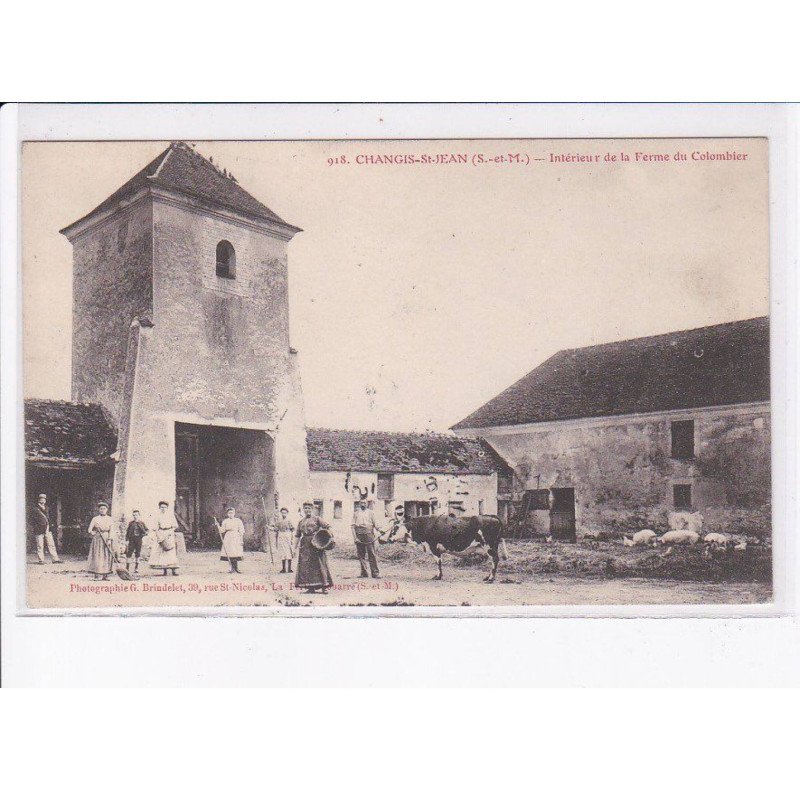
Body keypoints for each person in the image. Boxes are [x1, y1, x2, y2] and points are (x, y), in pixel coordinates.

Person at [293, 501, 333, 593]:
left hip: (316, 543)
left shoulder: (317, 519)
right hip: (305, 545)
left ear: (312, 509)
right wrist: (294, 548)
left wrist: (330, 536)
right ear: (303, 509)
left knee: (319, 564)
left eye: (309, 508)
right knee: (306, 565)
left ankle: (324, 586)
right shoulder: (301, 522)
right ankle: (310, 587)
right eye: (306, 508)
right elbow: (297, 535)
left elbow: (327, 526)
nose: (307, 510)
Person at [352, 499, 381, 579]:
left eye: (364, 503)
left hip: (369, 535)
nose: (363, 504)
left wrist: (380, 530)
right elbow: (353, 526)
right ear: (359, 503)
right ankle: (364, 573)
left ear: (367, 504)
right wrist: (355, 538)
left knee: (371, 553)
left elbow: (376, 524)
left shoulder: (371, 513)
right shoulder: (356, 513)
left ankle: (375, 573)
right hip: (359, 535)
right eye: (361, 502)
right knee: (361, 555)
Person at [30, 493, 61, 565]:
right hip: (39, 529)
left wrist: (51, 525)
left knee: (51, 544)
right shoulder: (35, 509)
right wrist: (35, 527)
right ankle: (41, 560)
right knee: (40, 545)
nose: (43, 501)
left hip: (47, 528)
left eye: (44, 499)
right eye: (41, 499)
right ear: (38, 500)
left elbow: (50, 518)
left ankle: (55, 559)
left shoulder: (47, 508)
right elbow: (31, 520)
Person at [150, 500, 179, 576]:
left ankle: (174, 570)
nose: (163, 508)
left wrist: (170, 532)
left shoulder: (170, 516)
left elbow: (175, 526)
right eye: (162, 507)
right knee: (163, 552)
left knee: (171, 552)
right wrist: (158, 536)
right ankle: (164, 570)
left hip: (169, 533)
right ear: (159, 507)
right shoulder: (157, 516)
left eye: (165, 507)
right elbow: (155, 528)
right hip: (161, 533)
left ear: (167, 508)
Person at [87, 501, 114, 580]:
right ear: (99, 510)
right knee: (97, 556)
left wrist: (109, 539)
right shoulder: (95, 519)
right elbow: (89, 529)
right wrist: (93, 532)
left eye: (104, 509)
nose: (102, 510)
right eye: (101, 509)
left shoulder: (110, 519)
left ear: (107, 510)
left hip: (106, 537)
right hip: (98, 539)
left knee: (106, 556)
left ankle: (105, 575)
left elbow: (111, 530)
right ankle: (96, 575)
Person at [219, 506, 245, 573]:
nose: (230, 514)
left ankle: (236, 568)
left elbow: (241, 530)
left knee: (235, 552)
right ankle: (231, 568)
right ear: (227, 514)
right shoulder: (225, 521)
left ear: (234, 513)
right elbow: (222, 530)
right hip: (228, 537)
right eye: (229, 513)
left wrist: (241, 539)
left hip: (236, 536)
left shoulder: (238, 521)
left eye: (232, 513)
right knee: (229, 552)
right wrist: (218, 526)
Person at [125, 509, 148, 574]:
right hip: (131, 540)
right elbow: (127, 532)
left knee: (138, 553)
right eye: (134, 515)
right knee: (129, 553)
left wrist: (143, 535)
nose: (135, 516)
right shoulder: (131, 523)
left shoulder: (142, 523)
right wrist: (126, 540)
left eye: (136, 515)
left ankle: (136, 568)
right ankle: (127, 568)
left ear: (139, 515)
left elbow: (147, 530)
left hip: (139, 539)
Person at [272, 507, 294, 573]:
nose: (283, 514)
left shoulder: (289, 520)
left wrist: (291, 537)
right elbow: (275, 529)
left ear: (287, 513)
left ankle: (289, 569)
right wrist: (270, 528)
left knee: (289, 552)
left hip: (288, 535)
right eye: (282, 513)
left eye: (285, 513)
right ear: (281, 513)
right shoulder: (279, 521)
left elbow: (292, 529)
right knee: (282, 552)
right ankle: (283, 569)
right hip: (281, 536)